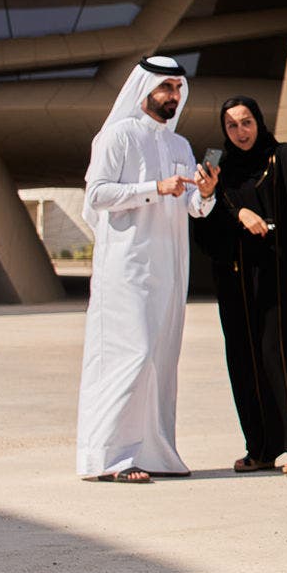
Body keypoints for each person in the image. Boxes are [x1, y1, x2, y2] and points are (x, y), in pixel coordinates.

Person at [76, 56, 218, 483]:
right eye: (166, 88)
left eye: (178, 88)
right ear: (145, 90)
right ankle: (108, 457)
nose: (173, 96)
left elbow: (192, 206)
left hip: (169, 269)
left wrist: (206, 194)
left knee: (159, 359)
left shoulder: (180, 146)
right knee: (129, 355)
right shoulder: (117, 136)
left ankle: (154, 453)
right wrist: (152, 188)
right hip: (126, 265)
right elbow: (98, 194)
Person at [195, 96, 287, 477]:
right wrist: (232, 209)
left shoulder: (277, 156)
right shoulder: (216, 164)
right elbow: (204, 212)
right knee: (244, 358)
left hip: (279, 275)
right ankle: (261, 448)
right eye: (232, 125)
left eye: (246, 122)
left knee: (280, 354)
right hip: (235, 278)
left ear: (259, 122)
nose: (240, 131)